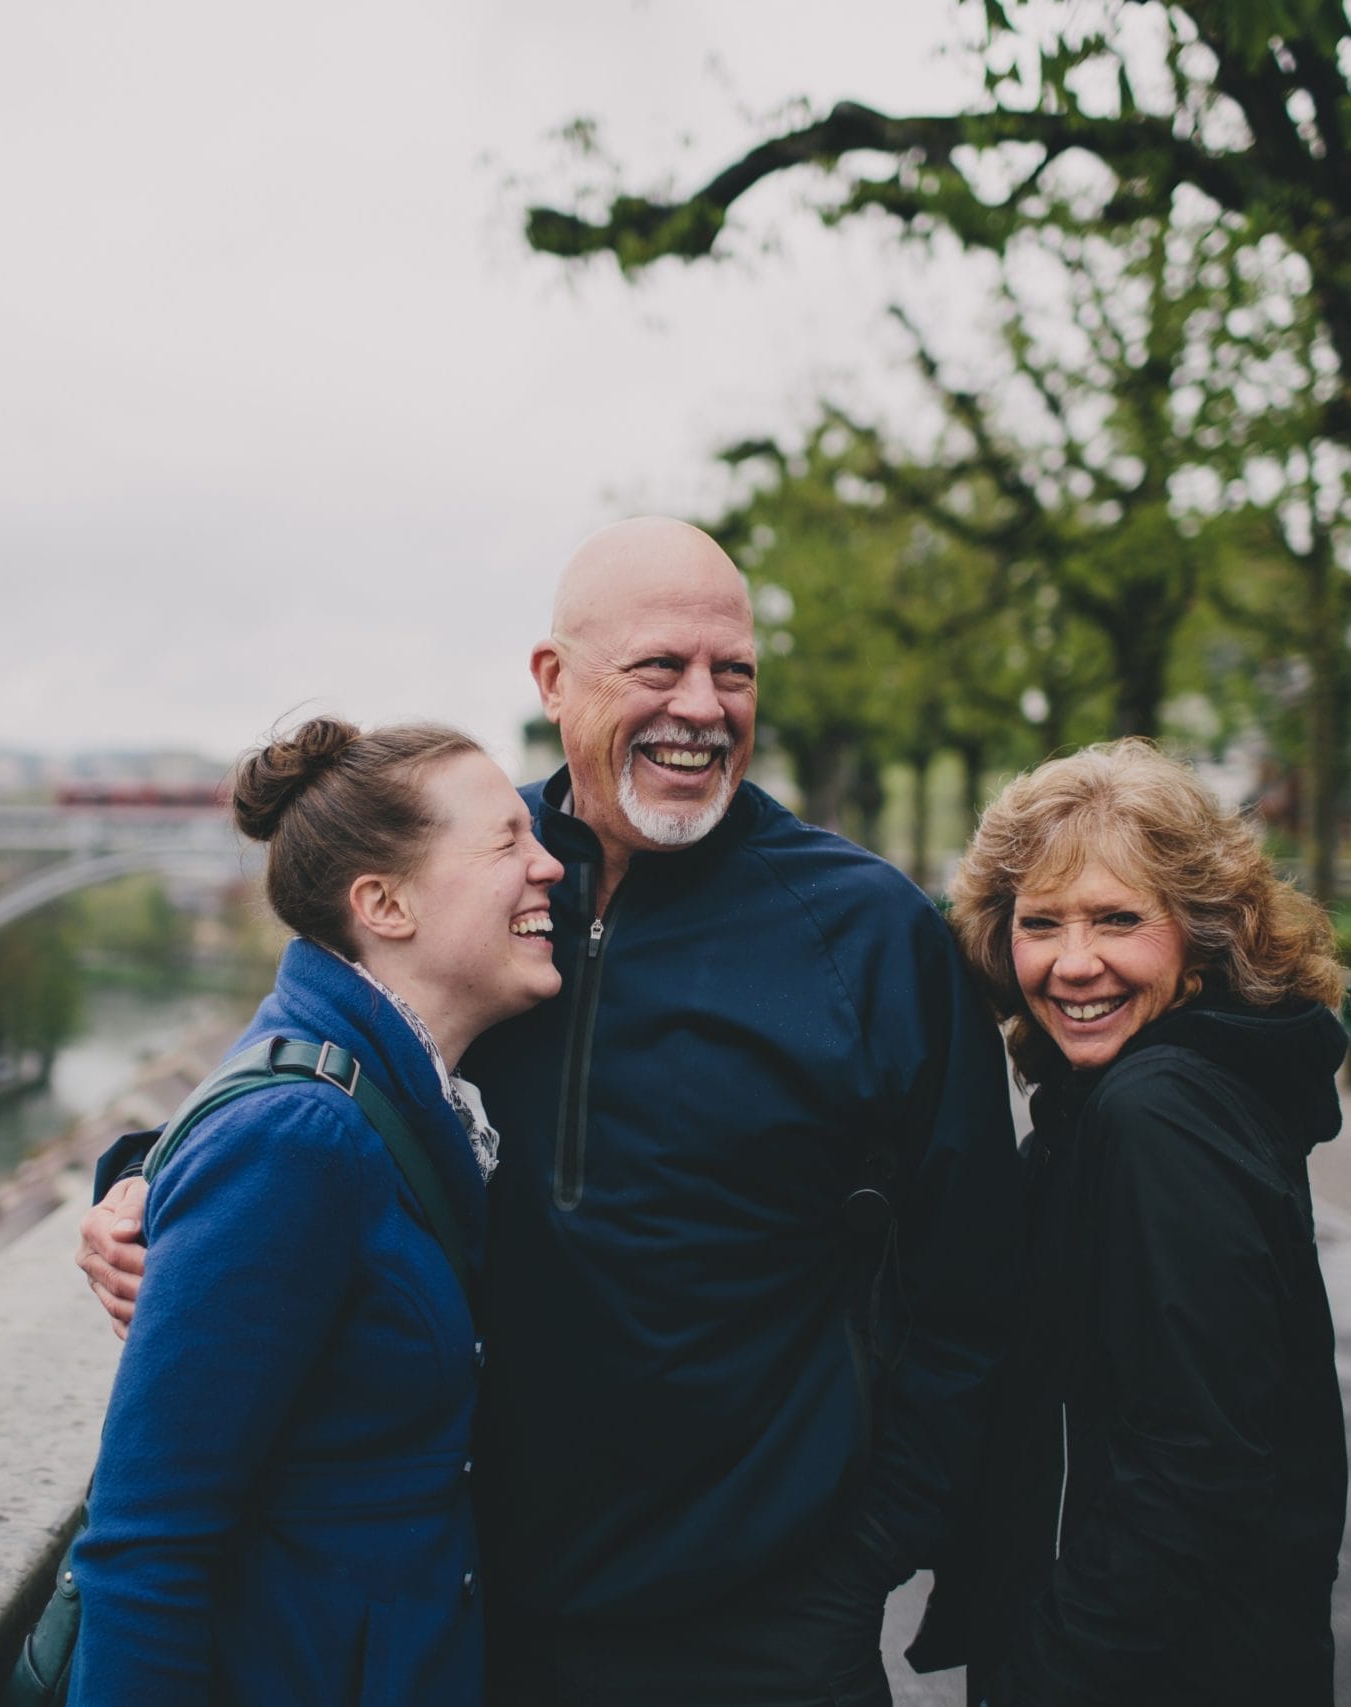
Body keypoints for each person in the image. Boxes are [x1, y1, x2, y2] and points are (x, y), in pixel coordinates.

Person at [80, 518, 1022, 1706]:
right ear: (553, 680)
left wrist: (861, 1562)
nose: (702, 705)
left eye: (733, 672)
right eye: (657, 668)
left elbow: (975, 1280)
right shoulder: (474, 878)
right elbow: (301, 1072)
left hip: (761, 1630)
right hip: (479, 1612)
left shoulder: (867, 932)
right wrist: (134, 1181)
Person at [68, 717, 564, 1704]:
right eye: (508, 841)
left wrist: (136, 1171)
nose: (548, 866)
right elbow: (142, 1549)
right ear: (383, 904)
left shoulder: (385, 1091)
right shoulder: (302, 1138)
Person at [910, 738, 1349, 1706]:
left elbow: (1197, 1466)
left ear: (1200, 931)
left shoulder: (1158, 1116)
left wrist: (1051, 1672)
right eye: (1041, 923)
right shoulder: (1143, 1097)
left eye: (1117, 919)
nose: (1074, 964)